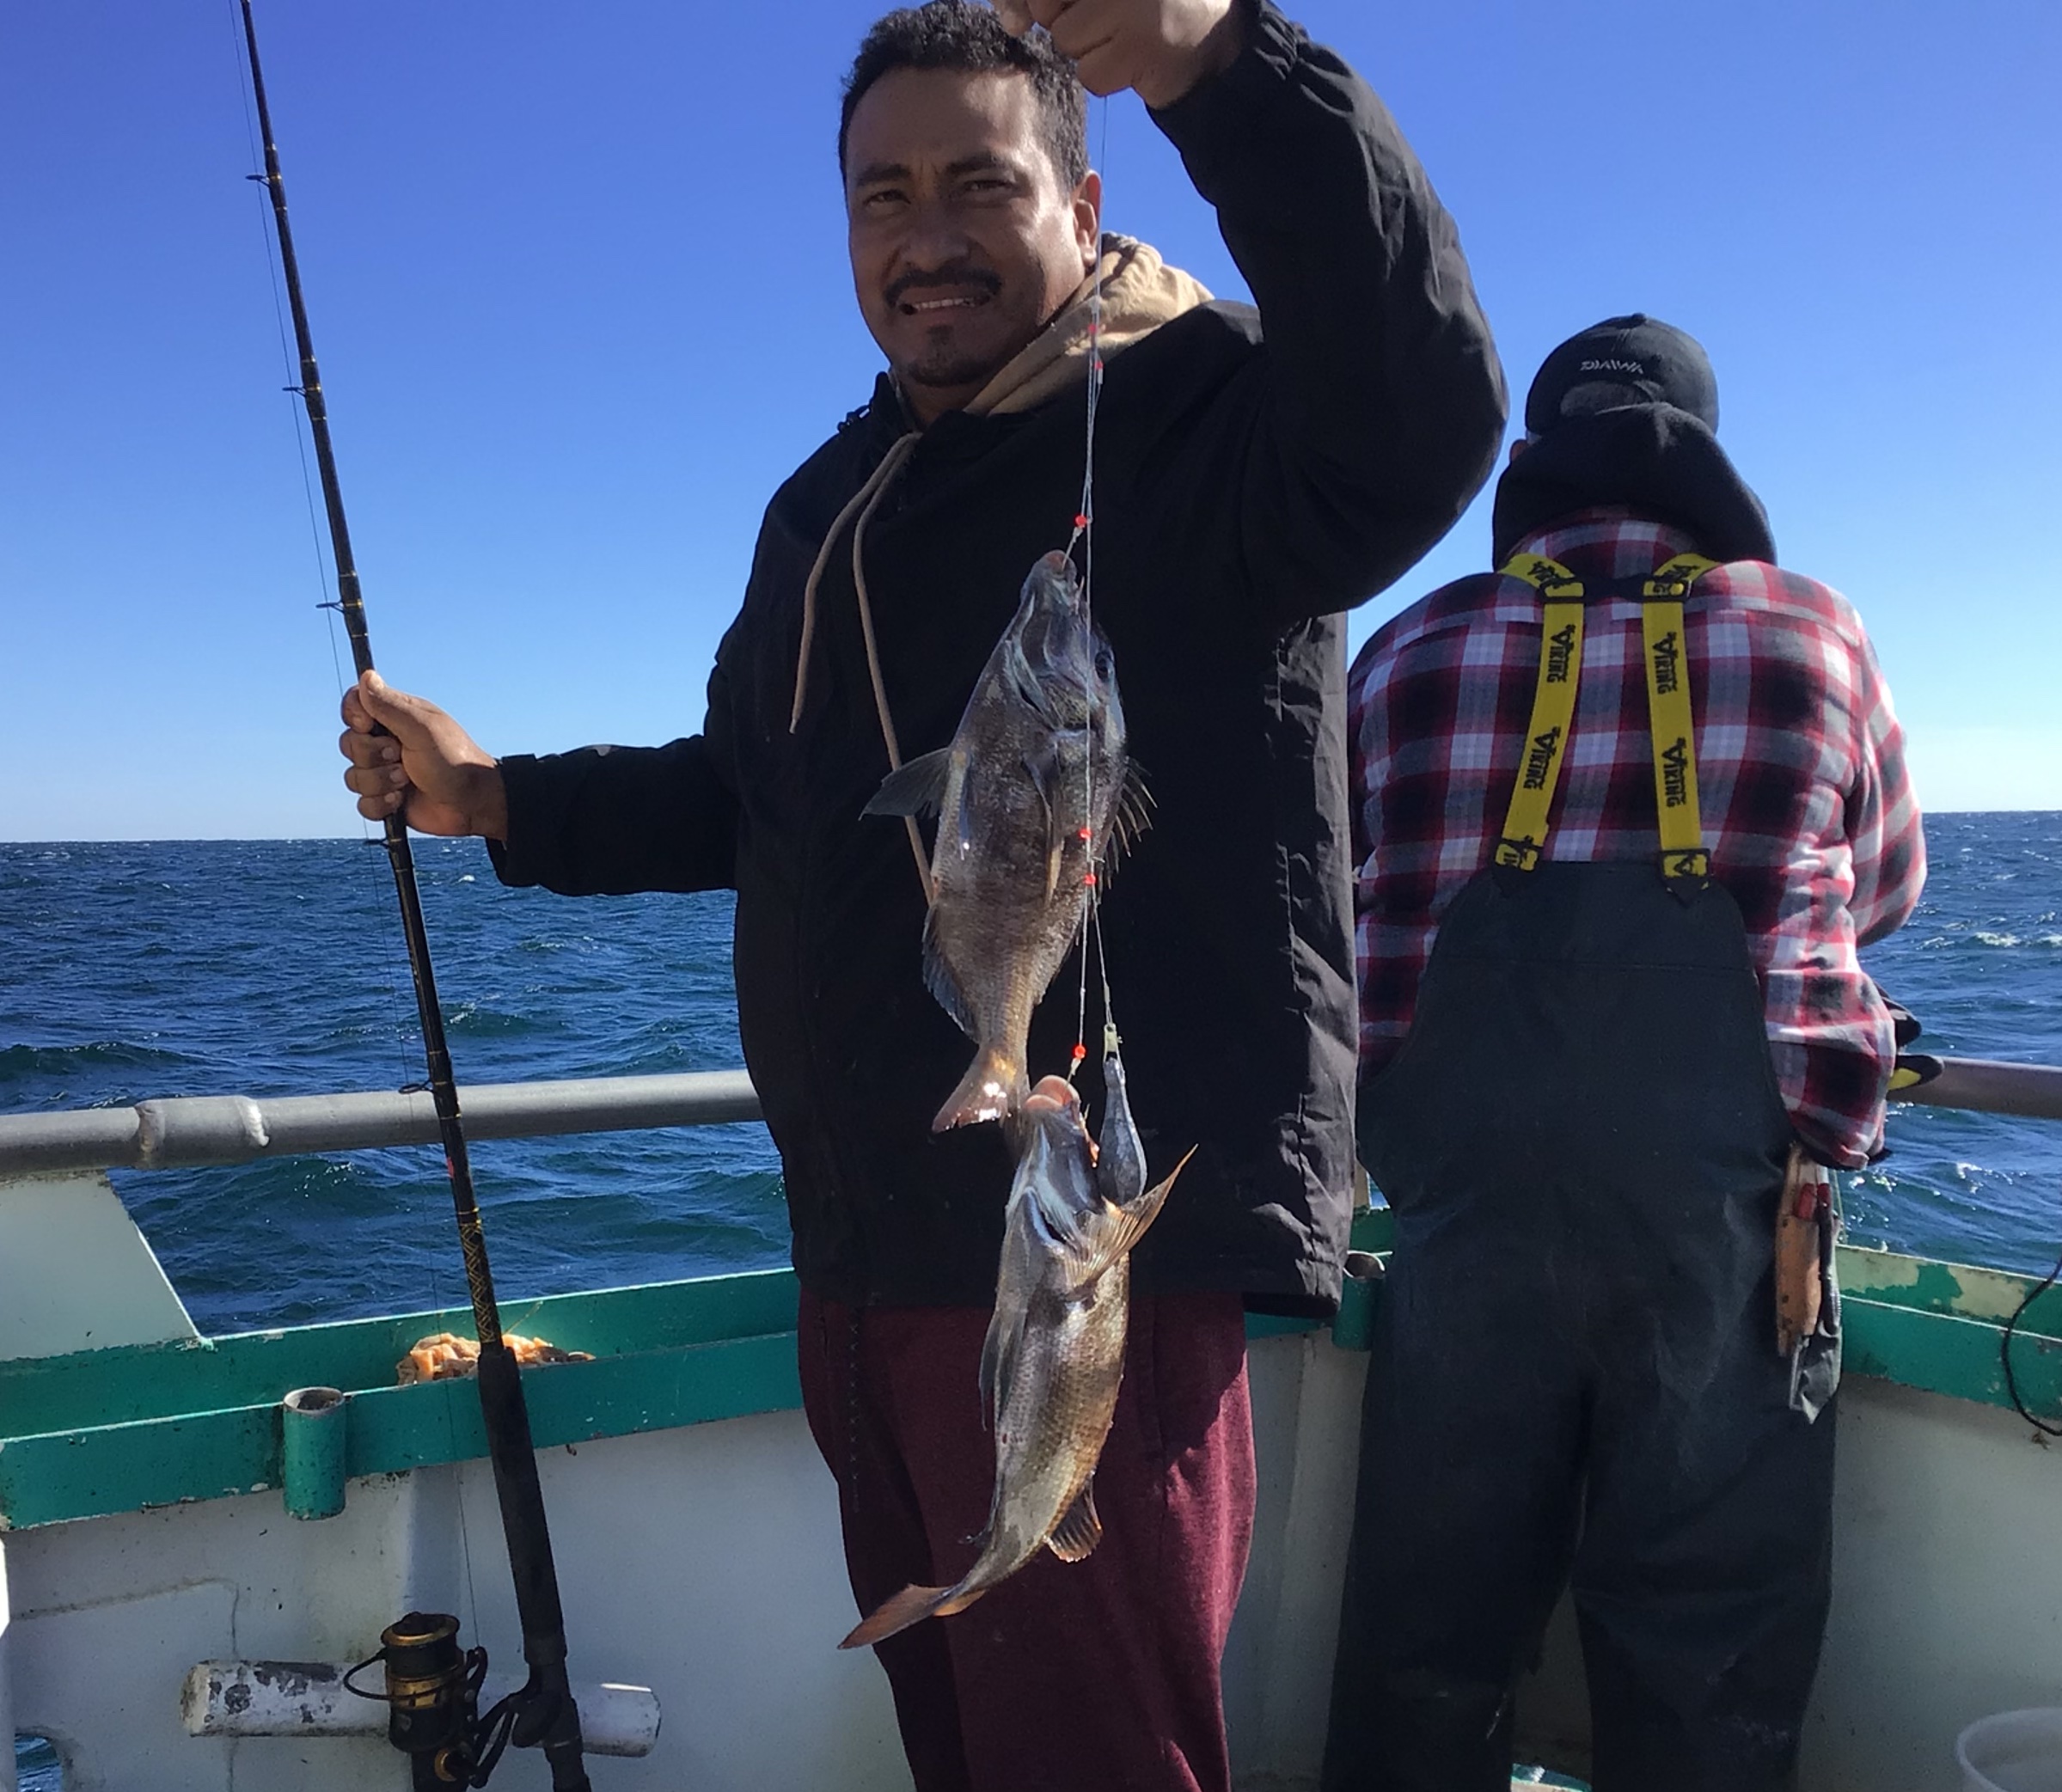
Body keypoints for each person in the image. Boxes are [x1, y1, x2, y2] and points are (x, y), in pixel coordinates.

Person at [340, 1, 1503, 1785]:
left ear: (1083, 190)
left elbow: (1424, 412)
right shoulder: (829, 503)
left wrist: (1219, 56)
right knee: (960, 1743)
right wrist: (495, 798)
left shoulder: (1207, 416)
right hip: (863, 1245)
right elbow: (760, 795)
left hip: (1090, 1240)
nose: (928, 236)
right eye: (883, 196)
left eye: (981, 182)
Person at [1322, 315, 1925, 1792]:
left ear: (1535, 472)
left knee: (1427, 1622)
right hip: (1729, 1237)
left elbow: (1333, 904)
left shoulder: (1408, 649)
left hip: (1464, 1223)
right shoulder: (1818, 633)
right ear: (1706, 473)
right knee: (1709, 1636)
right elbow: (1891, 886)